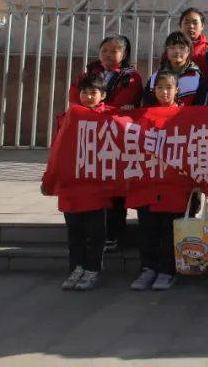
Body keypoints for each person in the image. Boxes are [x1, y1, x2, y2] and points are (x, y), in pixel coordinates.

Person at [67, 34, 143, 253]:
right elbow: (75, 98)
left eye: (114, 51)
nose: (109, 55)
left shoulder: (131, 76)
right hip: (89, 138)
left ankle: (114, 233)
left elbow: (123, 102)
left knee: (115, 187)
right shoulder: (88, 74)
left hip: (114, 137)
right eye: (105, 50)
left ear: (125, 53)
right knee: (92, 186)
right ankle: (94, 232)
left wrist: (98, 111)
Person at [41, 74, 112, 291]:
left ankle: (92, 270)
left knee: (95, 233)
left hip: (95, 186)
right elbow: (57, 151)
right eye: (84, 92)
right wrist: (49, 178)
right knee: (75, 233)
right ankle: (77, 268)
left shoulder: (111, 118)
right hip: (71, 185)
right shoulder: (68, 117)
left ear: (103, 96)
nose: (88, 97)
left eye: (93, 93)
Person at [127, 70, 192, 292]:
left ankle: (167, 270)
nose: (164, 92)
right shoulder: (143, 115)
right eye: (160, 88)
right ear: (153, 90)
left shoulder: (187, 116)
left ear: (177, 90)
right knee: (148, 228)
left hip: (175, 184)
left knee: (169, 229)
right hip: (149, 182)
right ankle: (148, 268)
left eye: (169, 88)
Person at [143, 32, 208, 106]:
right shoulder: (155, 77)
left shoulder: (197, 78)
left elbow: (200, 109)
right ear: (167, 51)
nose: (177, 51)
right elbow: (147, 106)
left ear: (188, 51)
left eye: (182, 47)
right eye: (172, 47)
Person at [178, 8, 208, 86]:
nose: (191, 26)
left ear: (202, 26)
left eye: (195, 23)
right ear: (180, 26)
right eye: (186, 22)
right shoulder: (171, 48)